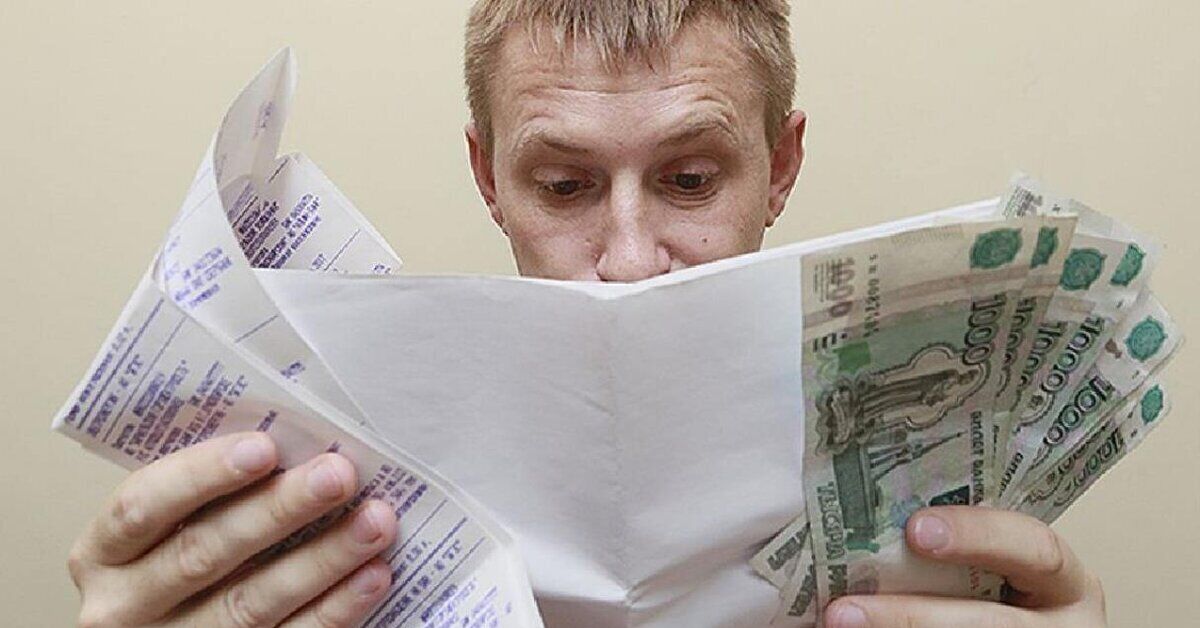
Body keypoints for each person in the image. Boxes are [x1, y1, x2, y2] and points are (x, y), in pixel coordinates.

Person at [66, 2, 1108, 626]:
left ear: (780, 164)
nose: (629, 258)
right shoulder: (320, 509)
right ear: (488, 177)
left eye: (691, 179)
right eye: (564, 187)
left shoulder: (942, 488)